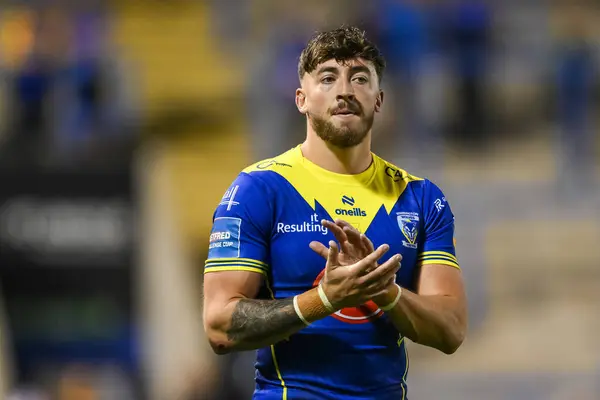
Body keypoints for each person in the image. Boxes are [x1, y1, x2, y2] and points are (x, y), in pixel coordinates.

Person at [202, 26, 467, 400]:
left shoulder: (421, 198)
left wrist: (386, 292)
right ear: (301, 99)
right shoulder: (257, 190)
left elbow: (452, 330)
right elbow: (219, 326)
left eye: (360, 79)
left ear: (379, 99)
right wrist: (325, 299)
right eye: (328, 78)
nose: (344, 90)